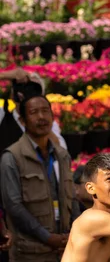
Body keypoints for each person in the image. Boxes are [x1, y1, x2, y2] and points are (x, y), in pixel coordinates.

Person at [1, 94, 77, 262]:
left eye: (45, 111)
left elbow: (73, 197)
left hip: (64, 249)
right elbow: (14, 207)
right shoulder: (12, 157)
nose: (41, 117)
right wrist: (47, 237)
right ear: (22, 121)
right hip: (30, 252)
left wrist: (75, 234)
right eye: (34, 112)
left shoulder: (62, 155)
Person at [0, 69, 67, 152]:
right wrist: (3, 76)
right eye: (22, 87)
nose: (28, 93)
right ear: (12, 95)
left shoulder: (48, 123)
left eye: (34, 90)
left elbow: (61, 151)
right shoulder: (2, 116)